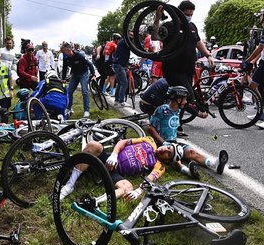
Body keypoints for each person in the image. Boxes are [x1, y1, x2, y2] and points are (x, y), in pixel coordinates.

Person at [59, 136, 189, 201]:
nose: (164, 149)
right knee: (93, 145)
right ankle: (70, 185)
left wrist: (139, 191)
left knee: (128, 187)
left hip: (116, 173)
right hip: (109, 160)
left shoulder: (160, 166)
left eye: (168, 153)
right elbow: (123, 142)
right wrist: (114, 154)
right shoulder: (149, 141)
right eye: (168, 147)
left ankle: (96, 202)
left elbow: (150, 179)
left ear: (168, 160)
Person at [152, 1, 214, 133]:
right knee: (186, 96)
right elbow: (155, 36)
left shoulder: (191, 27)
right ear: (179, 13)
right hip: (173, 69)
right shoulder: (169, 26)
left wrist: (208, 55)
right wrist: (157, 18)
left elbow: (198, 42)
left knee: (179, 98)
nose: (189, 16)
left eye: (191, 14)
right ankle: (166, 123)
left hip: (188, 70)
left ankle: (174, 125)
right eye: (186, 14)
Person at [147, 86, 228, 176]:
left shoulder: (178, 110)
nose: (185, 102)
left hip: (174, 142)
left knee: (191, 152)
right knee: (176, 159)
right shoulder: (162, 109)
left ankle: (214, 164)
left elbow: (190, 108)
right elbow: (150, 128)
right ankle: (188, 171)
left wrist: (201, 112)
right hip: (162, 144)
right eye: (184, 99)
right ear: (177, 99)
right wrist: (163, 142)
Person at [60, 42, 96, 118]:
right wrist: (63, 78)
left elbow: (90, 64)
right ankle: (69, 108)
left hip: (84, 73)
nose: (64, 54)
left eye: (64, 52)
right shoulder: (65, 57)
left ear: (69, 50)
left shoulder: (79, 55)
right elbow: (64, 68)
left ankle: (86, 111)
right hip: (75, 74)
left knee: (84, 91)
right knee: (69, 91)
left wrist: (93, 75)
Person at [112, 31, 133, 107]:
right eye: (130, 35)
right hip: (119, 65)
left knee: (120, 83)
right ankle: (121, 101)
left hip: (119, 65)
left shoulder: (123, 42)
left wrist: (127, 64)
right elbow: (134, 49)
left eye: (133, 35)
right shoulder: (125, 42)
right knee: (124, 83)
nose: (132, 37)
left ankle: (116, 101)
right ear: (127, 35)